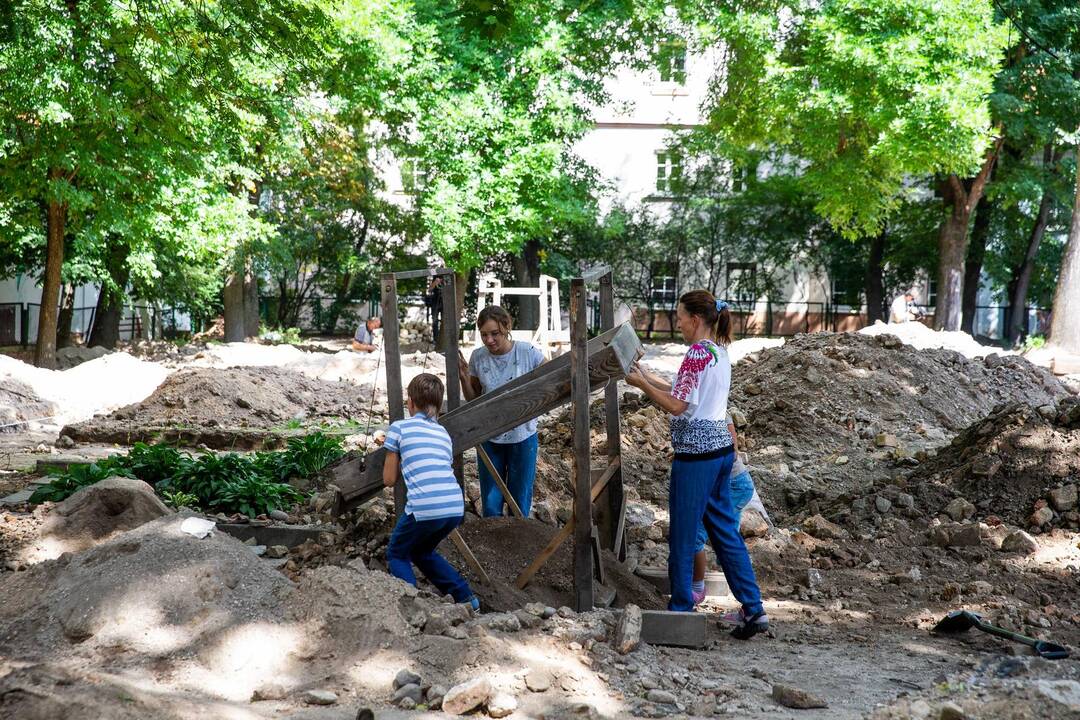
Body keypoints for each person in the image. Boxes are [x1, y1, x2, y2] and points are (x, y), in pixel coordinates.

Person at [626, 290, 768, 640]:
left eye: (679, 316)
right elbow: (685, 393)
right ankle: (754, 610)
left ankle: (680, 611)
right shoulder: (718, 351)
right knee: (725, 534)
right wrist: (646, 375)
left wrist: (641, 384)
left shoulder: (694, 354)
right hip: (721, 452)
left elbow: (676, 406)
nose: (678, 322)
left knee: (684, 535)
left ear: (695, 318)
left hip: (696, 458)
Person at [383, 373, 479, 611]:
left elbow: (388, 479)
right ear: (439, 405)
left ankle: (410, 605)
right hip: (454, 507)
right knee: (422, 551)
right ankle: (467, 598)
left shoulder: (399, 428)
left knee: (397, 553)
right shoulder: (443, 433)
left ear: (410, 403)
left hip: (425, 507)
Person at [458, 305, 544, 517]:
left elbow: (551, 381)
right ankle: (492, 547)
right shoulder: (478, 357)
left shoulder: (528, 352)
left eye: (494, 333)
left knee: (520, 500)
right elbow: (474, 398)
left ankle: (518, 545)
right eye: (484, 335)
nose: (489, 340)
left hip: (523, 436)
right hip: (490, 438)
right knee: (491, 504)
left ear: (506, 327)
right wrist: (463, 377)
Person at [691, 413, 771, 605]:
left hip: (733, 485)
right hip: (730, 484)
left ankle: (697, 589)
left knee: (699, 537)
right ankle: (750, 603)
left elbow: (732, 452)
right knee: (727, 542)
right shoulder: (701, 408)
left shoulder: (718, 412)